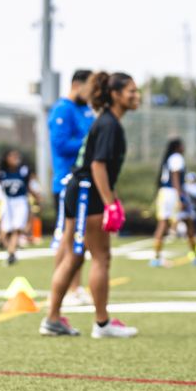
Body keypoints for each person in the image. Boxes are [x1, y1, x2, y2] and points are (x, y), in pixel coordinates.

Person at [40, 72, 141, 338]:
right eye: (131, 91)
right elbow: (97, 165)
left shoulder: (107, 121)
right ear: (115, 95)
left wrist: (111, 198)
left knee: (74, 257)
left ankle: (53, 319)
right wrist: (110, 204)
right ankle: (102, 323)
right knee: (101, 257)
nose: (136, 96)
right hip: (87, 192)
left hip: (80, 190)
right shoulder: (109, 124)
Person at [47, 69, 95, 304]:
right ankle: (64, 289)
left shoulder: (85, 110)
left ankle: (75, 288)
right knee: (68, 238)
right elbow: (60, 144)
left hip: (85, 181)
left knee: (80, 240)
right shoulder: (62, 109)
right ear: (77, 85)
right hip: (67, 182)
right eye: (90, 87)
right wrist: (91, 141)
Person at [151, 137, 196, 267]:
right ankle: (195, 256)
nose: (184, 148)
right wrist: (181, 197)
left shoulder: (168, 159)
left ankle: (156, 258)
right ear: (177, 147)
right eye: (182, 145)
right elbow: (175, 177)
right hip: (173, 193)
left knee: (163, 224)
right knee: (189, 222)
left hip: (164, 193)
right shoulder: (177, 157)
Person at [0, 149, 38, 265]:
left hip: (20, 201)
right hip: (7, 201)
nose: (15, 159)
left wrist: (37, 196)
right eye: (12, 156)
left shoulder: (23, 171)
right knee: (5, 229)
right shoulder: (2, 172)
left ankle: (11, 252)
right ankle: (9, 249)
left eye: (17, 156)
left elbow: (28, 187)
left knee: (17, 228)